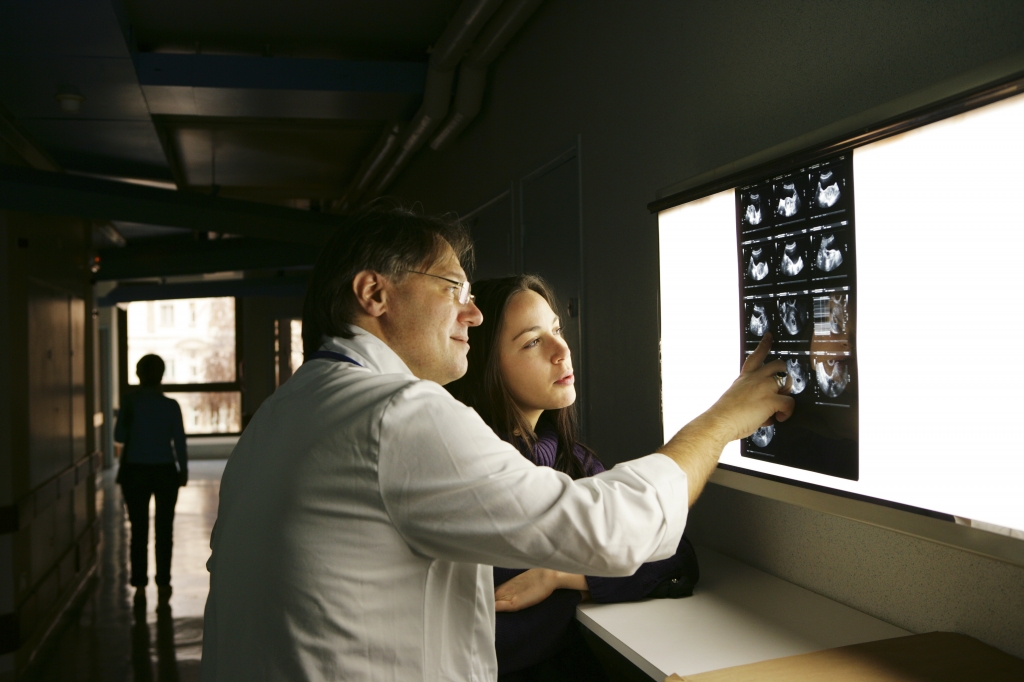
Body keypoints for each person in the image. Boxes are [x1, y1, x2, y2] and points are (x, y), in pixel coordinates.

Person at [200, 205, 794, 681]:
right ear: (374, 295)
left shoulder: (283, 414)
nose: (473, 314)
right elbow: (612, 529)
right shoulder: (398, 412)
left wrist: (560, 576)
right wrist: (720, 423)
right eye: (453, 288)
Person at [446, 275, 700, 681]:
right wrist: (601, 578)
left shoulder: (571, 458)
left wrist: (558, 576)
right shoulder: (480, 474)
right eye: (532, 342)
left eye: (557, 331)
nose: (562, 351)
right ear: (486, 365)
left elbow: (674, 551)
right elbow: (504, 628)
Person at [114, 354, 188, 603]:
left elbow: (120, 436)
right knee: (164, 529)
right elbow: (179, 441)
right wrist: (183, 470)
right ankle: (164, 581)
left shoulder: (130, 403)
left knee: (139, 529)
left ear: (139, 375)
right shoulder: (171, 406)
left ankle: (139, 582)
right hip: (165, 471)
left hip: (135, 471)